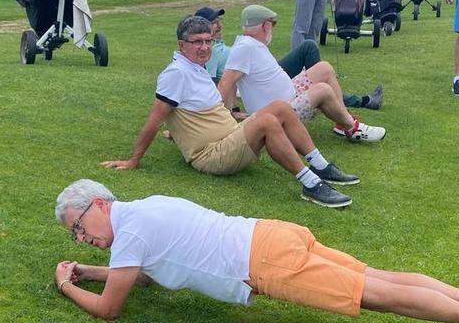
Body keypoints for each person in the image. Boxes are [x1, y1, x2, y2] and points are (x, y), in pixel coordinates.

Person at [53, 179, 459, 323]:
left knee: (377, 295)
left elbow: (110, 310)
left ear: (100, 204)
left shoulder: (130, 233)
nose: (80, 238)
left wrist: (67, 286)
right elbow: (143, 275)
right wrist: (90, 271)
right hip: (270, 234)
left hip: (265, 262)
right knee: (378, 277)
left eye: (78, 226)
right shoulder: (142, 210)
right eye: (74, 234)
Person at [102, 15, 357, 208]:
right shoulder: (176, 73)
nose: (204, 47)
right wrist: (134, 160)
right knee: (268, 121)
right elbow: (156, 119)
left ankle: (320, 166)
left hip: (228, 139)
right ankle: (311, 184)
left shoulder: (195, 67)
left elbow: (194, 113)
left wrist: (230, 116)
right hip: (211, 155)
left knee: (279, 107)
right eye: (197, 42)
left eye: (208, 41)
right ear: (182, 45)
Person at [219, 5, 385, 143]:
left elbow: (232, 80)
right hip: (279, 114)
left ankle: (343, 122)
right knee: (323, 90)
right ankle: (352, 128)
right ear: (265, 26)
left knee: (324, 68)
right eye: (272, 26)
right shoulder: (245, 48)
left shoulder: (249, 44)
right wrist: (222, 121)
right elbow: (226, 82)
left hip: (288, 99)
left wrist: (234, 108)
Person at [196, 5, 382, 109]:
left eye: (218, 21)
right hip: (260, 81)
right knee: (311, 54)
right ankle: (354, 102)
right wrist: (227, 113)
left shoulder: (224, 45)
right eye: (213, 23)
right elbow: (220, 82)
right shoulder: (209, 51)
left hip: (265, 72)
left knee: (313, 55)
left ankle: (340, 101)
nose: (219, 25)